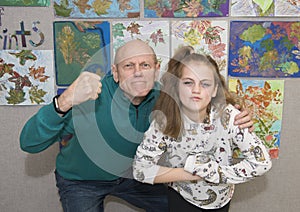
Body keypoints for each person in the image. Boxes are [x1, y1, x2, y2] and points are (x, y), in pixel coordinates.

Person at [20, 40, 253, 212]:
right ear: (116, 72)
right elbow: (29, 143)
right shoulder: (88, 97)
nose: (138, 73)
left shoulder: (166, 96)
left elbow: (208, 101)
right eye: (129, 66)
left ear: (155, 68)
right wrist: (63, 102)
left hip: (136, 177)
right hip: (83, 181)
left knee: (181, 205)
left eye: (145, 65)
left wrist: (238, 117)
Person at [133, 46, 272, 212]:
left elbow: (262, 163)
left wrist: (216, 173)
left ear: (214, 90)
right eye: (188, 82)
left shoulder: (230, 117)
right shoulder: (164, 122)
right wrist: (191, 172)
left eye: (205, 84)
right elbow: (141, 170)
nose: (196, 90)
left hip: (220, 200)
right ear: (177, 86)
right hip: (181, 197)